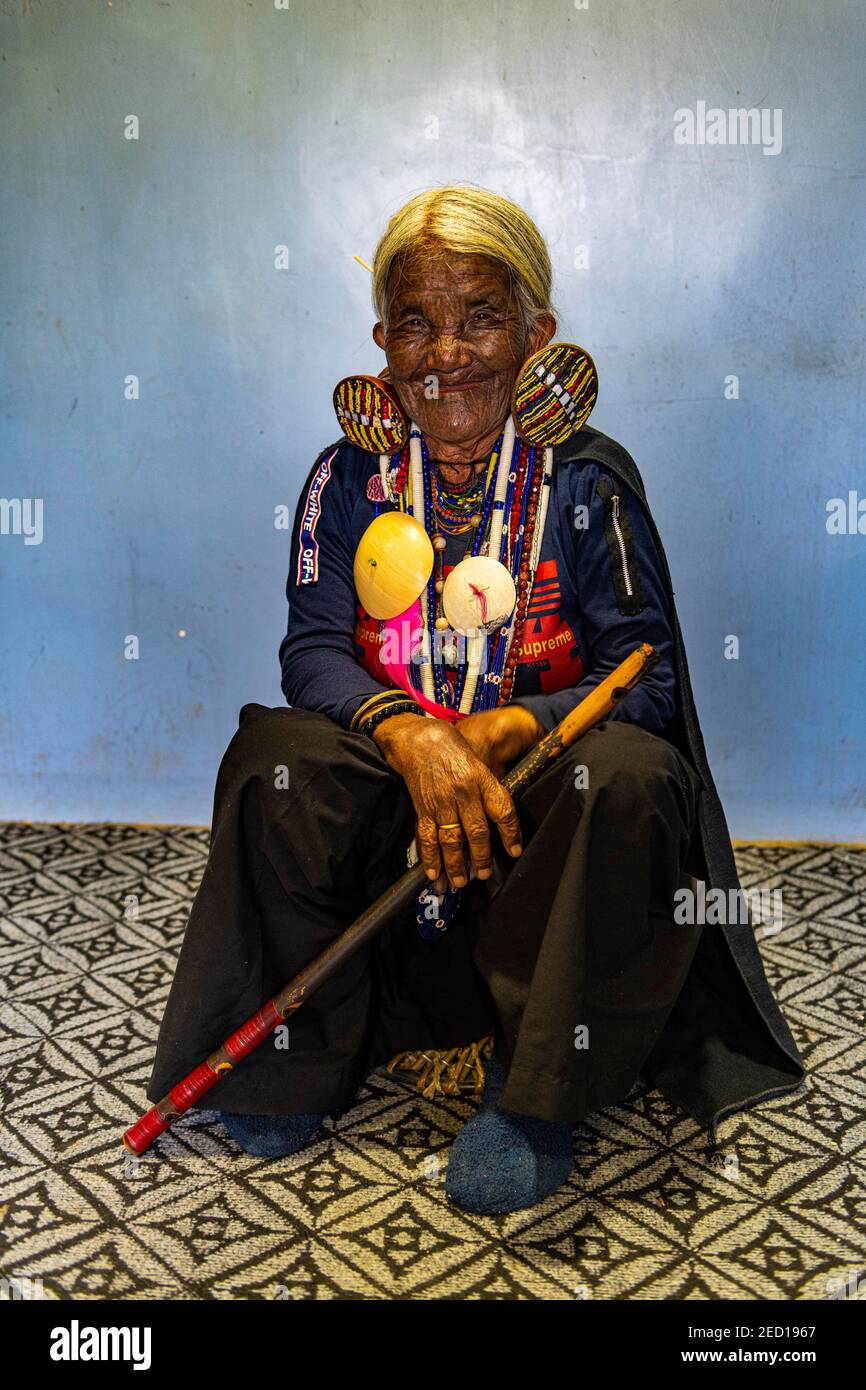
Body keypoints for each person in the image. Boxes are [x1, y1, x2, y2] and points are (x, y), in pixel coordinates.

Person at [147, 186, 804, 1216]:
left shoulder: (587, 483)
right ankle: (292, 1065)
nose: (445, 354)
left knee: (628, 777)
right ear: (381, 344)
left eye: (480, 318)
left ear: (537, 335)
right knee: (275, 757)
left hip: (535, 801)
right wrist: (411, 735)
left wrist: (505, 729)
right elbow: (313, 651)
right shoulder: (347, 477)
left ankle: (536, 1094)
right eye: (415, 322)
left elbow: (648, 673)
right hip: (394, 788)